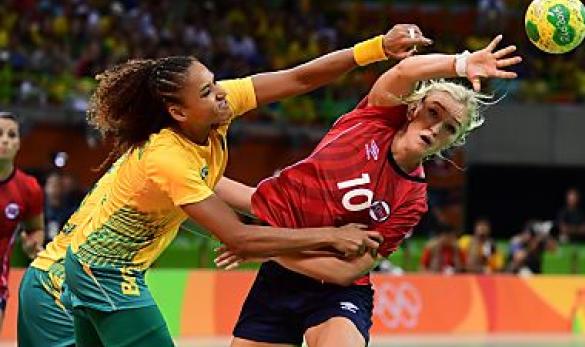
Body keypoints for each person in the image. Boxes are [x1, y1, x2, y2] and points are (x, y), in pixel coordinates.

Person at [22, 25, 423, 347]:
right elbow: (240, 238)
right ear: (178, 112)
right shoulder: (167, 156)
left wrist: (377, 49)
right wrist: (331, 236)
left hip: (94, 271)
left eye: (214, 83)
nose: (221, 94)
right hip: (66, 283)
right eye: (207, 92)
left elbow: (299, 78)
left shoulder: (215, 112)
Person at [215, 34, 522, 347]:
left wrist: (262, 247)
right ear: (414, 108)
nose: (435, 129)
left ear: (451, 143)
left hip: (334, 293)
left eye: (449, 129)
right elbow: (403, 73)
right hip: (278, 282)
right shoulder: (374, 119)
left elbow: (345, 272)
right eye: (434, 112)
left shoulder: (412, 201)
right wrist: (461, 63)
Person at [0, 111, 44, 331]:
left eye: (11, 135)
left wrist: (32, 243)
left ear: (18, 144)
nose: (5, 140)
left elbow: (35, 229)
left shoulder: (29, 189)